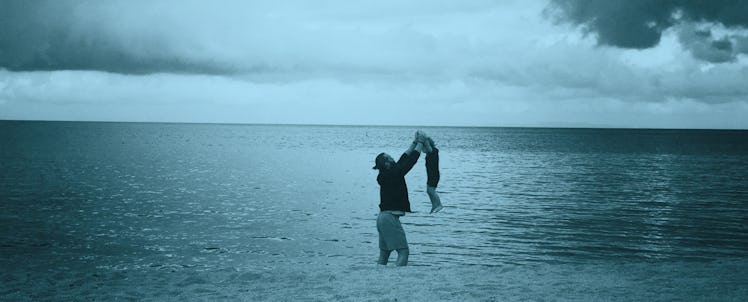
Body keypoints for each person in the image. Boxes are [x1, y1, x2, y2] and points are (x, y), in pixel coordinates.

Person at [372, 132, 423, 266]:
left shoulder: (388, 173)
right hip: (389, 218)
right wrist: (421, 144)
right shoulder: (393, 174)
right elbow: (409, 162)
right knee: (403, 251)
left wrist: (414, 143)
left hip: (382, 218)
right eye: (389, 157)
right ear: (387, 163)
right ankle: (399, 276)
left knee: (384, 253)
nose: (392, 158)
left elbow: (403, 159)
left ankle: (379, 275)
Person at [417, 131, 443, 214]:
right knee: (428, 190)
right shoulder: (429, 153)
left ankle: (439, 204)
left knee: (431, 191)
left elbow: (428, 147)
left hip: (434, 175)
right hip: (430, 175)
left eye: (423, 147)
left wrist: (424, 138)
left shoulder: (433, 152)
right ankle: (434, 205)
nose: (422, 149)